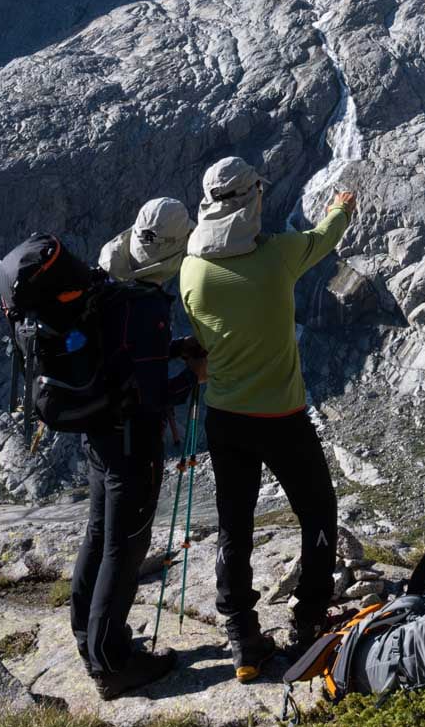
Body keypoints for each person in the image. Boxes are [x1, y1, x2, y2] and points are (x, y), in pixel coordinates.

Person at [178, 157, 354, 682]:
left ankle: (243, 640)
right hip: (282, 416)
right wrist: (342, 207)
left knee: (235, 524)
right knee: (318, 509)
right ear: (252, 199)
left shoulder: (191, 269)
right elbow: (324, 237)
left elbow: (205, 348)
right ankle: (308, 620)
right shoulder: (277, 256)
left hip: (226, 418)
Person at [70, 197, 204, 698]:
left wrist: (170, 351)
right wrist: (189, 377)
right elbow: (148, 397)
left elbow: (121, 358)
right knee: (125, 550)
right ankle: (113, 665)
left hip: (98, 433)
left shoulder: (107, 281)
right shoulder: (146, 304)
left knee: (99, 535)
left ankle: (89, 636)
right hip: (132, 444)